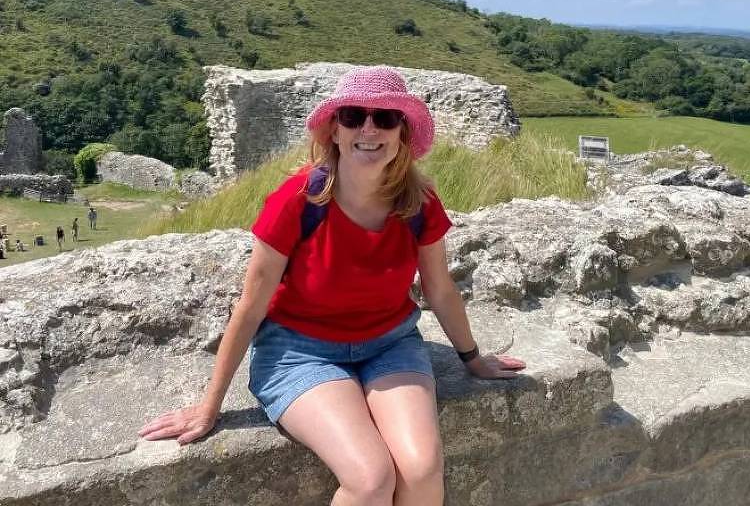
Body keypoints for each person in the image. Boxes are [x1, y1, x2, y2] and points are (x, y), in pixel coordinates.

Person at [139, 66, 526, 506]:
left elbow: (440, 291)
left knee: (420, 471)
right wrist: (210, 405)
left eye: (385, 118)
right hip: (300, 352)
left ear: (401, 132)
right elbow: (252, 305)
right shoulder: (297, 200)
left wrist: (472, 359)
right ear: (334, 131)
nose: (368, 128)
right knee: (371, 479)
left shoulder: (419, 203)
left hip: (389, 344)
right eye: (353, 116)